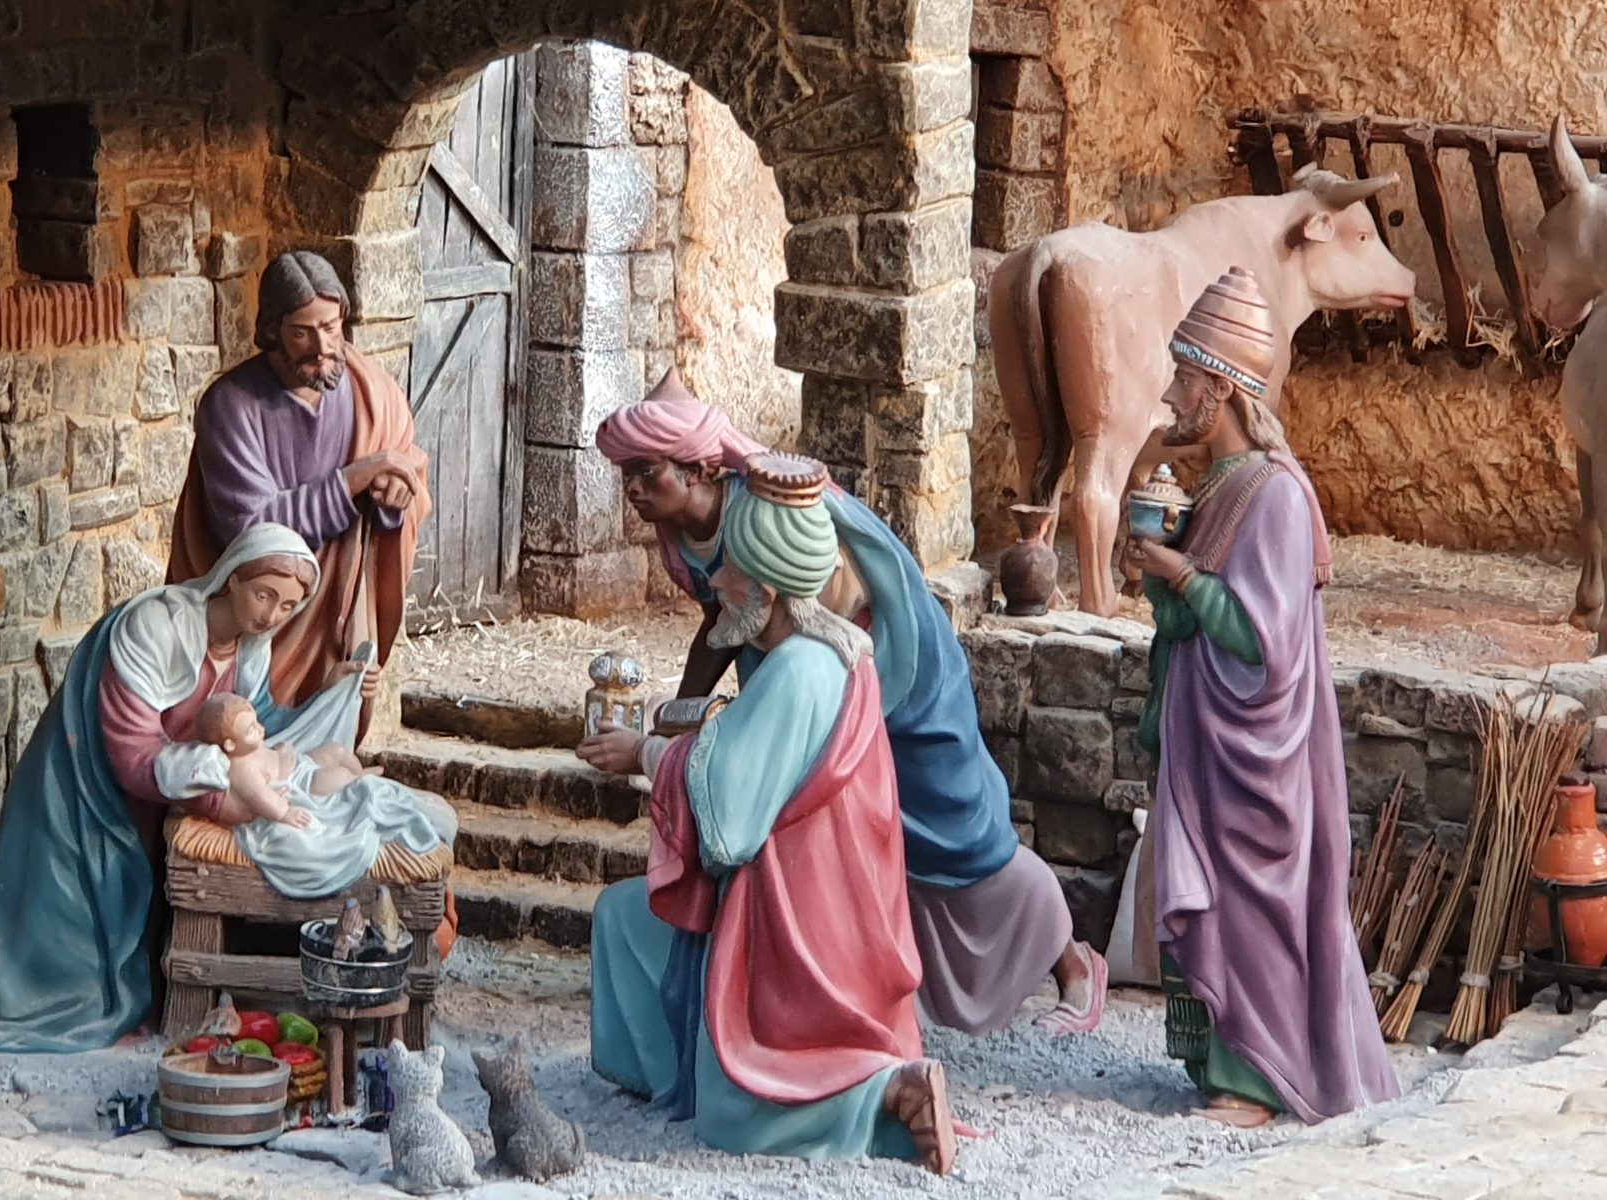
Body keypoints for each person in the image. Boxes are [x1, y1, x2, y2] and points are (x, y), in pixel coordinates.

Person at [594, 370, 1106, 1038]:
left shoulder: (771, 507)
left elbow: (830, 608)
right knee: (830, 846)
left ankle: (1072, 964)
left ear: (698, 467)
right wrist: (686, 707)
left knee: (956, 833)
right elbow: (725, 619)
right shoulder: (685, 537)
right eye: (625, 473)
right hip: (803, 680)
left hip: (887, 675)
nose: (632, 489)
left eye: (646, 471)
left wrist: (780, 717)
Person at [0, 524, 454, 1055]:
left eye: (288, 606)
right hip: (89, 791)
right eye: (264, 594)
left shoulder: (250, 647)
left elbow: (260, 728)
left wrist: (337, 691)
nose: (271, 615)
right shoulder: (155, 627)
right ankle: (40, 990)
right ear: (232, 578)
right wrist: (222, 795)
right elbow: (133, 752)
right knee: (74, 946)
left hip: (165, 792)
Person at [578, 454, 973, 1177]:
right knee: (624, 919)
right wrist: (699, 739)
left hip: (803, 935)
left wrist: (646, 754)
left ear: (766, 586)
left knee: (738, 1116)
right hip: (832, 907)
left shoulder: (799, 671)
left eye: (729, 574)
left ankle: (881, 1098)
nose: (717, 586)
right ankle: (670, 1073)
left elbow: (728, 824)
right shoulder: (838, 654)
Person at [1123, 265, 1398, 1127]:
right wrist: (1162, 585)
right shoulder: (1218, 486)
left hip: (1255, 754)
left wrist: (1181, 575)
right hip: (1205, 739)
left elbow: (1264, 643)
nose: (1172, 394)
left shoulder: (1275, 495)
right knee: (1214, 901)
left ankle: (1259, 1082)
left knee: (1251, 910)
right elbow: (1200, 620)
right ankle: (1221, 1069)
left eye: (1186, 378)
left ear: (1227, 389)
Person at [169, 250, 430, 740]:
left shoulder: (369, 389)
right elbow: (251, 529)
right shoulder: (231, 405)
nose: (323, 347)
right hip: (259, 619)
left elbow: (407, 465)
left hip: (338, 607)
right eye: (301, 332)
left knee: (328, 746)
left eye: (331, 327)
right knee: (241, 740)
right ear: (273, 331)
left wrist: (395, 498)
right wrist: (355, 478)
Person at [193, 692, 382, 826]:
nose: (260, 729)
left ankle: (360, 772)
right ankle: (360, 781)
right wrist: (284, 813)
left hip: (301, 763)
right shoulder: (241, 770)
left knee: (337, 750)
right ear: (230, 745)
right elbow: (260, 796)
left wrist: (280, 751)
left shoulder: (251, 746)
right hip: (301, 784)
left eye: (256, 721)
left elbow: (269, 756)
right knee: (339, 777)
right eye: (251, 730)